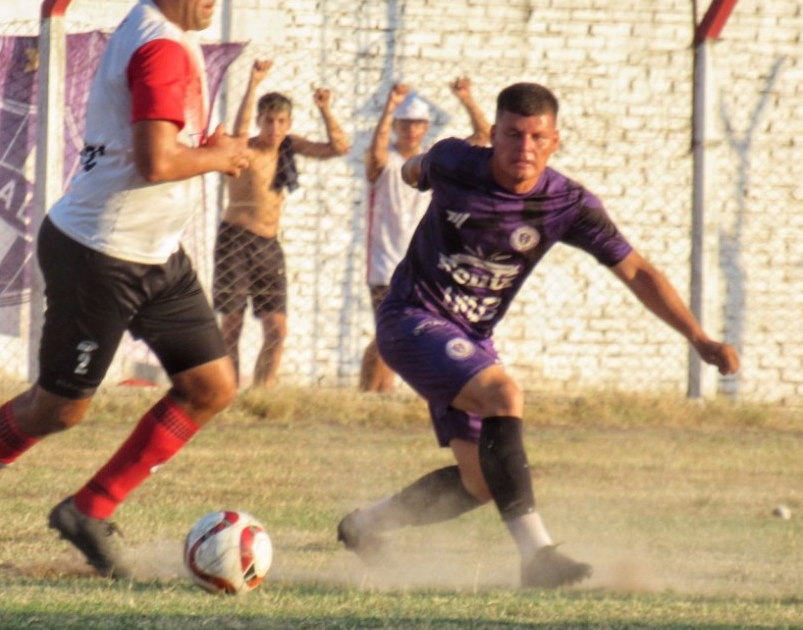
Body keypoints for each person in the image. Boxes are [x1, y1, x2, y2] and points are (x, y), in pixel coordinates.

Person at [338, 81, 740, 589]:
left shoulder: (567, 204)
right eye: (511, 135)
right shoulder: (456, 163)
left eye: (535, 137)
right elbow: (414, 169)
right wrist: (415, 171)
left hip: (470, 338)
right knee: (504, 393)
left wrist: (698, 337)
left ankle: (364, 526)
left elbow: (636, 271)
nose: (522, 148)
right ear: (494, 134)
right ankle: (537, 556)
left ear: (554, 141)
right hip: (411, 318)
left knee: (480, 484)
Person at [0, 0, 251, 579]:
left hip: (155, 253)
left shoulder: (162, 33)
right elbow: (157, 160)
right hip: (100, 254)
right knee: (60, 409)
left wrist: (208, 146)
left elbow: (161, 144)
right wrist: (218, 156)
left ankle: (90, 508)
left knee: (211, 385)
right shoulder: (162, 47)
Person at [213, 59, 349, 387]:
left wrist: (325, 109)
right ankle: (228, 392)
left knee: (277, 328)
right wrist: (253, 83)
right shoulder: (245, 148)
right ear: (260, 120)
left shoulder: (290, 145)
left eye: (281, 121)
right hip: (236, 239)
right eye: (269, 121)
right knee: (232, 324)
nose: (275, 128)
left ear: (288, 124)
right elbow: (240, 131)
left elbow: (339, 148)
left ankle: (262, 392)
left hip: (268, 245)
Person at [360, 78, 490, 392]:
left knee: (401, 335)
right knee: (386, 333)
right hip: (384, 262)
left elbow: (485, 137)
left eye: (418, 124)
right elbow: (375, 157)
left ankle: (380, 394)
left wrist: (467, 99)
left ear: (425, 127)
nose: (411, 130)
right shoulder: (386, 162)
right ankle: (370, 394)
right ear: (396, 126)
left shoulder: (433, 162)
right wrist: (389, 108)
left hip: (422, 263)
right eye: (405, 124)